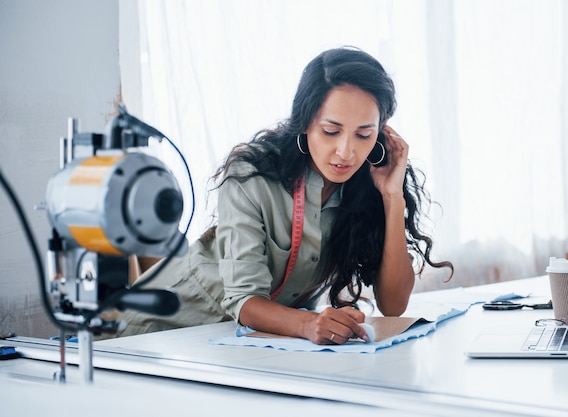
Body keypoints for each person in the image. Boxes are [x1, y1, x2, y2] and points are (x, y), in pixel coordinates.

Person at [118, 46, 453, 344]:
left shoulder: (369, 184)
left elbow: (393, 305)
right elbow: (245, 300)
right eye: (331, 131)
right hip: (157, 334)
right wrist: (310, 323)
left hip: (249, 345)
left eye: (364, 134)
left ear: (381, 133)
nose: (346, 152)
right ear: (304, 122)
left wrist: (392, 197)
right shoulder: (250, 176)